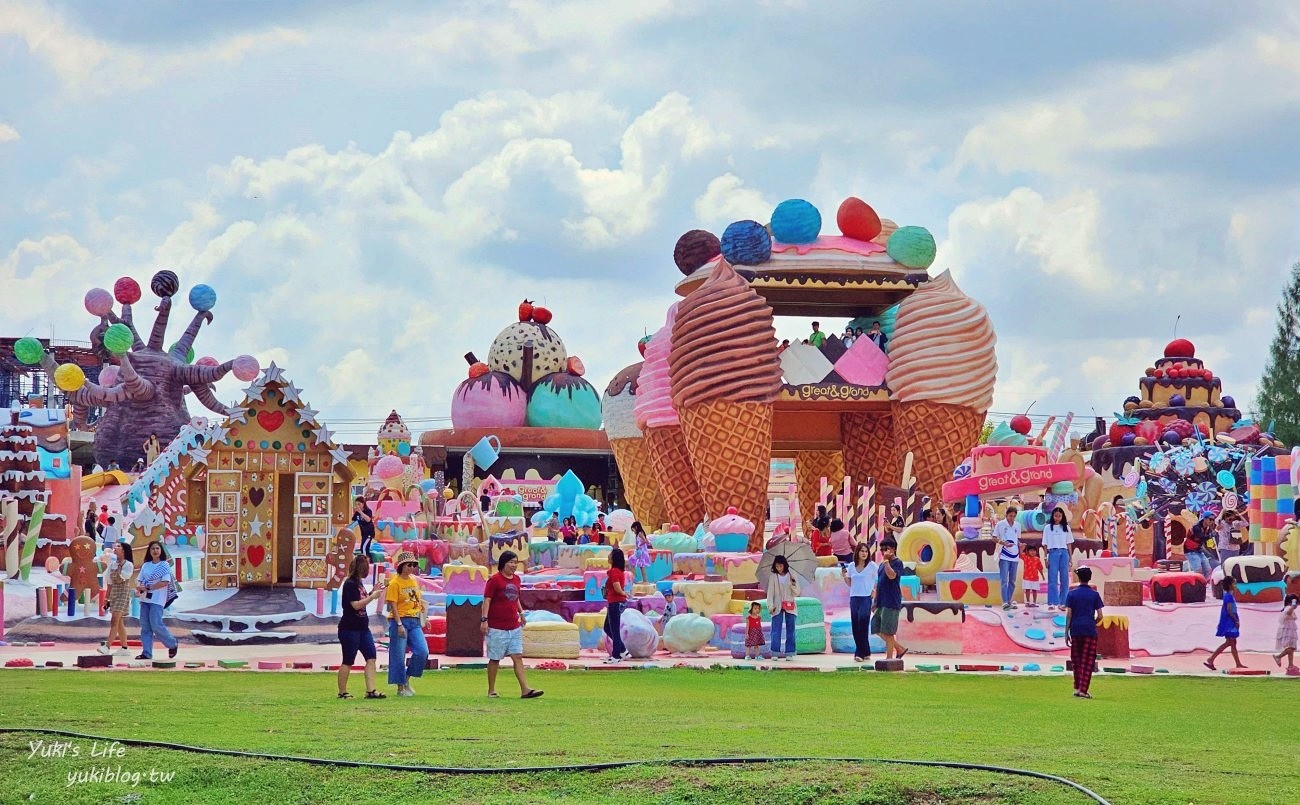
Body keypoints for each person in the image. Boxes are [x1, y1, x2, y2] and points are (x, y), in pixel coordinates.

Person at [482, 550, 543, 698]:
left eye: (516, 562)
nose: (514, 565)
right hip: (497, 626)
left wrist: (521, 613)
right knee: (495, 658)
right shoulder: (495, 580)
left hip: (513, 626)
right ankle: (491, 690)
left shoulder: (516, 580)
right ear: (503, 563)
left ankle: (525, 689)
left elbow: (515, 598)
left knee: (517, 656)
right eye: (511, 562)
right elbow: (487, 600)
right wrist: (484, 620)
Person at [337, 554, 386, 699]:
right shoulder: (350, 583)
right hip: (349, 628)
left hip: (363, 628)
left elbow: (361, 599)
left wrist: (372, 592)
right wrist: (372, 597)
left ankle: (370, 690)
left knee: (371, 657)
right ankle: (342, 691)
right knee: (348, 660)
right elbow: (355, 604)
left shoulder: (359, 583)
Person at [384, 550, 428, 697]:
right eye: (408, 565)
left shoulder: (413, 580)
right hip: (400, 620)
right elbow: (393, 605)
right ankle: (400, 687)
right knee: (397, 654)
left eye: (413, 565)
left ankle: (407, 678)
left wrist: (424, 616)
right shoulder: (394, 583)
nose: (411, 567)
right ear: (401, 566)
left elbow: (417, 599)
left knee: (422, 651)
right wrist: (398, 624)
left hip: (414, 620)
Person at [1064, 566, 1105, 698]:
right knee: (1088, 661)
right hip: (1089, 630)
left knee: (1076, 660)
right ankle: (1083, 690)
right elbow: (1100, 615)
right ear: (1089, 578)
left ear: (1078, 577)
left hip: (1075, 629)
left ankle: (1077, 687)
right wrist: (1093, 623)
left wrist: (1066, 632)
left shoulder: (1071, 594)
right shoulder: (1094, 595)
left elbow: (1069, 614)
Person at [134, 541, 178, 661]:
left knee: (156, 624)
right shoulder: (146, 565)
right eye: (153, 548)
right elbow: (139, 579)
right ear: (149, 551)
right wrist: (139, 587)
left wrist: (148, 587)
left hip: (157, 599)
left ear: (161, 550)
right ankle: (146, 653)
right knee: (145, 626)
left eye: (157, 548)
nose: (155, 551)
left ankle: (172, 643)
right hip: (145, 599)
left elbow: (165, 582)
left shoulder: (164, 565)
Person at [840, 541, 878, 662]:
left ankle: (859, 653)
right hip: (854, 597)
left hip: (866, 597)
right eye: (862, 551)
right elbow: (850, 583)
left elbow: (879, 578)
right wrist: (845, 576)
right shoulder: (851, 566)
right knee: (855, 625)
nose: (864, 553)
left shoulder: (872, 566)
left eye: (866, 551)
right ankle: (865, 650)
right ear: (857, 552)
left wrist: (875, 591)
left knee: (863, 622)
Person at [872, 539, 908, 660]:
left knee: (888, 631)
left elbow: (892, 576)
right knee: (876, 627)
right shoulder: (881, 565)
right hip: (881, 601)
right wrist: (875, 601)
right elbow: (879, 584)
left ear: (893, 549)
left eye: (886, 549)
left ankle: (889, 658)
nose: (883, 552)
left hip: (891, 601)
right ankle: (899, 648)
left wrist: (887, 561)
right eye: (881, 549)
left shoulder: (897, 562)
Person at [97, 542, 134, 656]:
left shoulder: (128, 565)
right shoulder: (112, 564)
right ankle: (124, 648)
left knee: (115, 620)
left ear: (124, 550)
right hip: (114, 594)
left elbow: (119, 579)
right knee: (119, 622)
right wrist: (107, 599)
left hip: (123, 594)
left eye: (118, 546)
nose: (115, 548)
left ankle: (107, 646)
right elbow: (110, 583)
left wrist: (118, 568)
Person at [1204, 576, 1246, 671]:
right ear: (1230, 585)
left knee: (1232, 642)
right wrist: (1236, 620)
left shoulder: (1228, 595)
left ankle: (1237, 663)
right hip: (1229, 622)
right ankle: (1211, 659)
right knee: (1230, 642)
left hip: (1229, 621)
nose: (1236, 585)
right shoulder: (1229, 596)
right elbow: (1230, 610)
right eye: (1234, 583)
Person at [766, 555, 800, 660]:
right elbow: (770, 593)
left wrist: (793, 584)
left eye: (780, 566)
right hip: (777, 606)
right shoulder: (773, 576)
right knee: (776, 629)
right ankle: (775, 652)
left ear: (784, 565)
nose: (779, 568)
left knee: (791, 629)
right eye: (777, 566)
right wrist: (770, 606)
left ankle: (790, 652)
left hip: (790, 604)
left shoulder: (792, 575)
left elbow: (797, 593)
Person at [1042, 506, 1074, 610]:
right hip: (1053, 553)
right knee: (1052, 578)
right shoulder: (1047, 528)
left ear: (1062, 516)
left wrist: (1070, 558)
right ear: (1053, 516)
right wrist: (1045, 558)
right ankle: (1052, 602)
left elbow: (1069, 544)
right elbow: (1045, 544)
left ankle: (1063, 602)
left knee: (1064, 578)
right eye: (1056, 516)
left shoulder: (1066, 528)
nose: (1057, 518)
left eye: (1059, 516)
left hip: (1064, 553)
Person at [603, 547, 629, 663]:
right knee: (607, 627)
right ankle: (623, 650)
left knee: (614, 629)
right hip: (614, 601)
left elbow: (617, 587)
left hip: (615, 602)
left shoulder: (614, 571)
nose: (608, 556)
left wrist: (623, 593)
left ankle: (616, 656)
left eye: (610, 554)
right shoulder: (618, 571)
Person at [993, 506, 1022, 611]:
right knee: (1004, 579)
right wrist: (1002, 543)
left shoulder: (1017, 525)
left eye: (1014, 516)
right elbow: (994, 538)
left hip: (1015, 555)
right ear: (1006, 515)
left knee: (1012, 580)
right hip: (1004, 554)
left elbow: (1017, 539)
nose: (1012, 518)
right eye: (1010, 516)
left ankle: (1009, 600)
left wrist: (1020, 545)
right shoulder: (1000, 524)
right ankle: (1005, 601)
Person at [1185, 513, 1214, 579]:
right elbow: (1201, 537)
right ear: (1205, 519)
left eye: (1213, 520)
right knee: (1198, 572)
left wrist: (1211, 546)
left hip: (1198, 550)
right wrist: (1213, 533)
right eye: (1210, 519)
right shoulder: (1196, 527)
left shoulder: (1207, 528)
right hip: (1190, 551)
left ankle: (1204, 586)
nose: (1212, 521)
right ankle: (1198, 586)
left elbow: (1206, 540)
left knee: (1208, 570)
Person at [1274, 594, 1298, 671]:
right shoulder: (1288, 608)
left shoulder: (1289, 608)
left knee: (1292, 648)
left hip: (1290, 630)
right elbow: (1288, 612)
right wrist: (1293, 605)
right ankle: (1278, 656)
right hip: (1288, 631)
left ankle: (1290, 665)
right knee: (1291, 648)